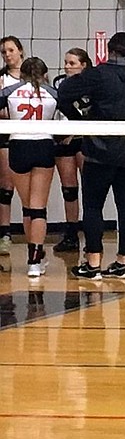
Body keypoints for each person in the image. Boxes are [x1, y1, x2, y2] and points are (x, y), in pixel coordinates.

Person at [57, 32, 125, 280]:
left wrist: (80, 120)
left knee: (93, 206)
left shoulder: (99, 74)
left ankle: (93, 264)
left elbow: (64, 93)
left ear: (110, 51)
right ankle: (122, 262)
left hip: (101, 151)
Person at [0, 58, 59, 277]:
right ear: (45, 74)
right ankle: (35, 261)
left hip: (18, 146)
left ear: (21, 74)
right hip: (44, 145)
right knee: (38, 208)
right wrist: (62, 137)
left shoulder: (9, 91)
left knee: (27, 207)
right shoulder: (53, 92)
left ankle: (33, 255)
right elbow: (74, 115)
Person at [52, 48, 92, 253]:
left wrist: (78, 127)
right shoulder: (60, 83)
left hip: (84, 139)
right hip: (65, 139)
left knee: (90, 188)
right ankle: (71, 234)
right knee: (69, 189)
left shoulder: (93, 83)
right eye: (66, 62)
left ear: (84, 65)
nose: (67, 66)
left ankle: (93, 233)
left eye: (72, 63)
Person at [0, 34, 25, 256]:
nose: (7, 55)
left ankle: (33, 236)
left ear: (20, 51)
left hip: (32, 137)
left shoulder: (34, 75)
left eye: (10, 50)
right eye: (4, 52)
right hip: (7, 136)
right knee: (6, 187)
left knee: (31, 192)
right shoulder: (1, 79)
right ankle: (5, 234)